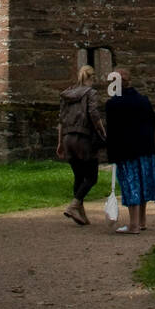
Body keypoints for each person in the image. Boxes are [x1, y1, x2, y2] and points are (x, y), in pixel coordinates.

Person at [105, 66, 155, 235]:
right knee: (143, 183)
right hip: (145, 149)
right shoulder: (143, 100)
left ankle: (133, 225)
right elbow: (153, 121)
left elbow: (112, 131)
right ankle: (142, 221)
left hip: (126, 151)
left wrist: (111, 152)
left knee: (131, 185)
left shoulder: (113, 104)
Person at [57, 63, 106, 225]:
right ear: (92, 77)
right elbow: (93, 113)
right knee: (92, 177)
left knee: (79, 176)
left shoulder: (67, 94)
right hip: (83, 139)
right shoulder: (90, 93)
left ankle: (81, 214)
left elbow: (61, 120)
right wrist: (102, 131)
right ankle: (74, 206)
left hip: (67, 138)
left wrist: (60, 142)